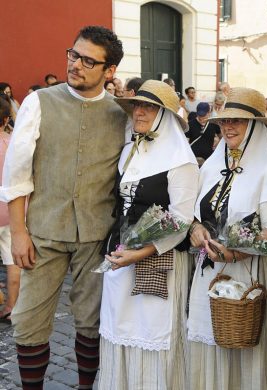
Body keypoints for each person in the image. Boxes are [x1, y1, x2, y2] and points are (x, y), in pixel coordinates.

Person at [0, 25, 128, 390]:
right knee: (29, 321)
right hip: (43, 233)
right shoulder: (40, 102)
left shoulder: (121, 113)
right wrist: (20, 232)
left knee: (91, 322)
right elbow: (17, 173)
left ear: (109, 71)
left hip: (95, 235)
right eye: (73, 54)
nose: (76, 65)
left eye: (89, 60)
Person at [98, 80, 198, 389]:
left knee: (152, 334)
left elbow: (181, 221)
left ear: (164, 115)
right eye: (137, 106)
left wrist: (138, 254)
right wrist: (119, 251)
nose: (139, 112)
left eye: (149, 107)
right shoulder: (130, 150)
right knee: (121, 330)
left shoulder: (181, 161)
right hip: (121, 257)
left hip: (158, 262)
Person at [187, 87, 267, 390]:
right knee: (211, 347)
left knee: (243, 352)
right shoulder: (214, 164)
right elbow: (194, 212)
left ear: (256, 126)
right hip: (209, 273)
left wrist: (232, 255)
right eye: (224, 121)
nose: (228, 127)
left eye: (238, 121)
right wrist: (195, 230)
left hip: (247, 275)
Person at [0, 98, 19, 324]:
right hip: (11, 210)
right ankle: (12, 306)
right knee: (12, 260)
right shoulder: (13, 143)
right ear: (6, 119)